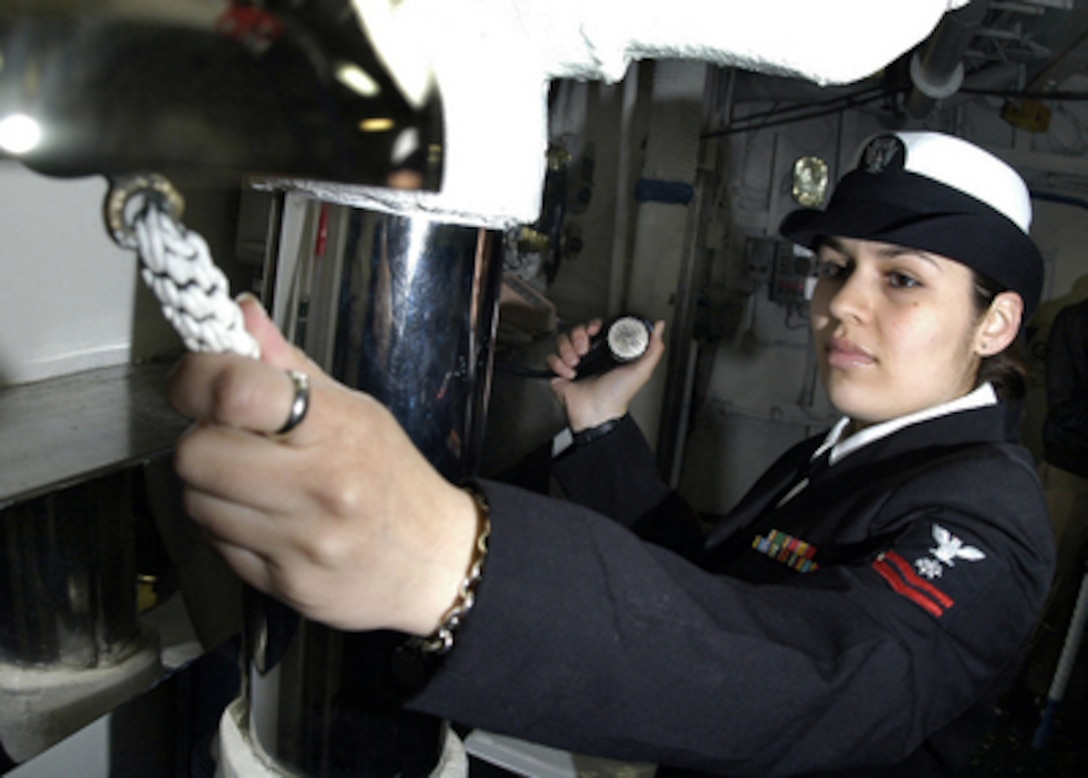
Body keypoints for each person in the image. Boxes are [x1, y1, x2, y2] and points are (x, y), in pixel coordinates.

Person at [166, 131, 1055, 777]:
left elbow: (828, 680)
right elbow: (720, 597)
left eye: (900, 279)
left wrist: (453, 561)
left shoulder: (985, 511)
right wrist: (599, 429)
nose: (840, 306)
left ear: (997, 321)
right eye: (835, 268)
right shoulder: (849, 450)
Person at [1022, 296, 1088, 699]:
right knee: (1044, 582)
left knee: (1072, 601)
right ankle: (998, 686)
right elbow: (1066, 406)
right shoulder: (1076, 321)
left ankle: (1045, 687)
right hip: (1072, 471)